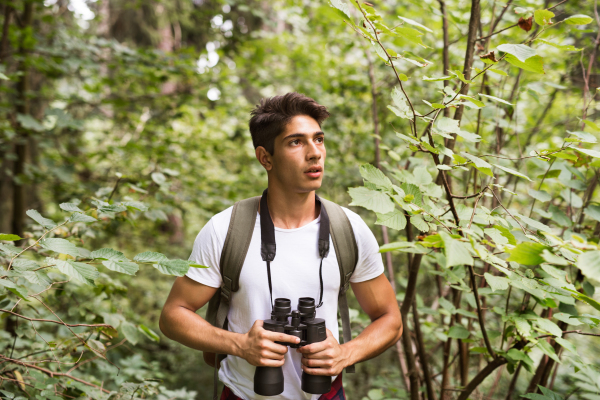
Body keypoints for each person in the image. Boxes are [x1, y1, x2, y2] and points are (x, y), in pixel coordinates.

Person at [159, 92, 402, 400]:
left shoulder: (349, 229)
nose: (315, 153)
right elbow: (173, 315)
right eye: (296, 142)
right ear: (265, 157)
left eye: (319, 139)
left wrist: (345, 354)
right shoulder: (226, 230)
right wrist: (241, 345)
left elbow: (390, 320)